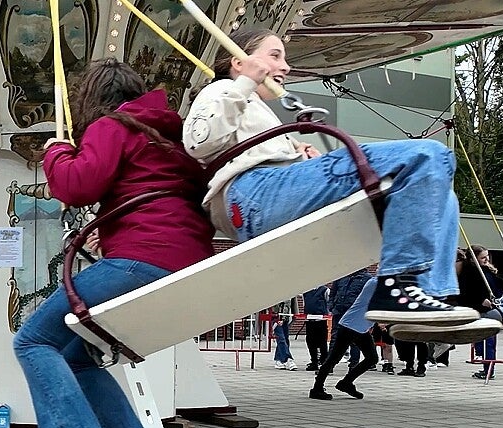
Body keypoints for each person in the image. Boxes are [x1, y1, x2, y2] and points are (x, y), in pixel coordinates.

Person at [13, 58, 214, 428]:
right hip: (188, 265)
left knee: (33, 340)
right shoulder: (173, 137)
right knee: (75, 358)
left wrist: (56, 152)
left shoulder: (115, 125)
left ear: (94, 100)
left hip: (139, 260)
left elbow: (76, 186)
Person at [183, 28, 479, 329]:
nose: (285, 66)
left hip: (263, 194)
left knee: (444, 197)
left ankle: (428, 296)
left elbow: (245, 148)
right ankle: (398, 287)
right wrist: (245, 82)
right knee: (428, 155)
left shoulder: (253, 106)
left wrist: (299, 158)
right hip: (252, 193)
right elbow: (199, 142)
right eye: (275, 56)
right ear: (238, 61)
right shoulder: (221, 90)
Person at [457, 245, 503, 368]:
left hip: (500, 300)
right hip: (486, 308)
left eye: (487, 256)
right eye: (483, 257)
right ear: (473, 259)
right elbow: (464, 296)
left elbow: (496, 281)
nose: (487, 259)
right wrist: (480, 301)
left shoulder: (486, 269)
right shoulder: (468, 274)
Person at [310, 279, 379, 400]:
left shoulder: (381, 284)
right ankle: (317, 389)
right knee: (334, 358)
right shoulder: (374, 283)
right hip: (349, 325)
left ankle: (346, 383)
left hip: (360, 328)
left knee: (372, 358)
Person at [302, 285, 329, 370]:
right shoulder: (306, 291)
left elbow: (329, 302)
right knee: (310, 341)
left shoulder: (325, 290)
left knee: (322, 342)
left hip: (321, 321)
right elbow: (305, 304)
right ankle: (314, 362)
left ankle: (324, 361)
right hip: (309, 321)